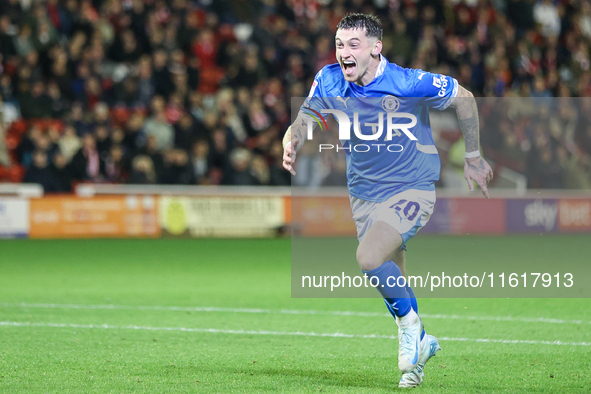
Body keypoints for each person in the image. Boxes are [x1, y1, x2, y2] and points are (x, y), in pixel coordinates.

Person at [282, 14, 493, 388]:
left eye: (353, 45)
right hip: (363, 194)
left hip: (412, 187)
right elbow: (306, 117)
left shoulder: (408, 82)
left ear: (375, 48)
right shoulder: (329, 78)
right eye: (339, 44)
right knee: (393, 278)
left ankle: (415, 332)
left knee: (368, 257)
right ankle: (417, 356)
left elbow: (465, 98)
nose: (343, 52)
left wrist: (473, 156)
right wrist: (293, 137)